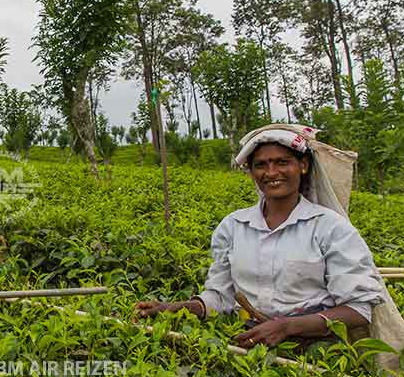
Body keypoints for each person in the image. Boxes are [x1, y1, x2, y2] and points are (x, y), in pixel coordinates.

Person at [135, 126, 388, 350]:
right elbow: (220, 297)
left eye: (282, 162)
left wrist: (287, 328)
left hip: (317, 352)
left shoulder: (330, 228)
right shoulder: (233, 226)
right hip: (247, 342)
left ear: (303, 165)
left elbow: (358, 310)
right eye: (261, 165)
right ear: (252, 172)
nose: (271, 172)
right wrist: (174, 309)